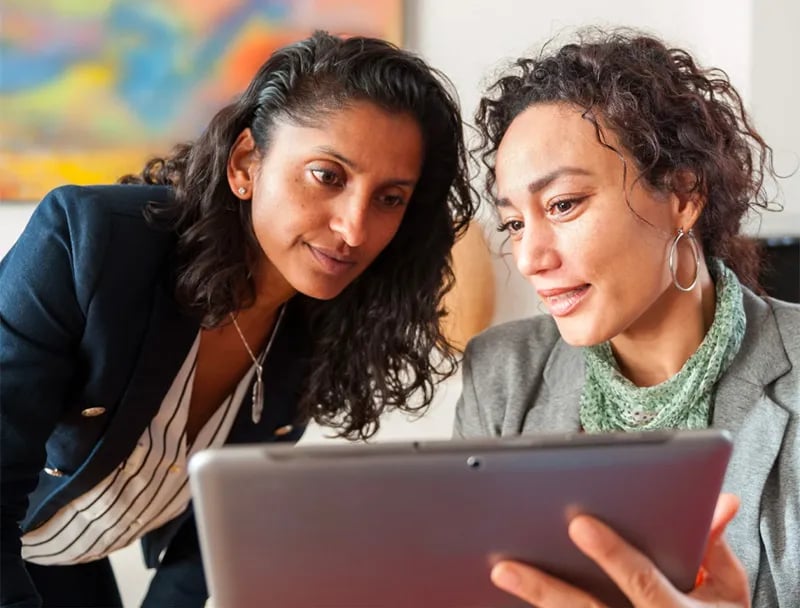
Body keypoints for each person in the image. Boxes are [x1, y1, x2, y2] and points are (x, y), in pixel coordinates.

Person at [0, 30, 475, 607]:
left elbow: (212, 527)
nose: (355, 228)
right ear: (246, 162)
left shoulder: (327, 324)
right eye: (327, 176)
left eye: (389, 198)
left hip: (67, 556)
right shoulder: (87, 243)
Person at [457, 29, 798, 607]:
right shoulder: (501, 378)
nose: (531, 259)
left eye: (563, 205)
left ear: (684, 195)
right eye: (515, 223)